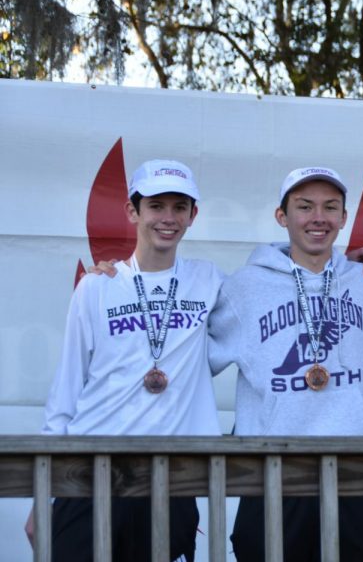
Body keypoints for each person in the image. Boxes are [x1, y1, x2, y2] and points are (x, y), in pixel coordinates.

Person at [34, 160, 222, 561]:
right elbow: (66, 390)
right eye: (156, 206)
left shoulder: (209, 281)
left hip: (170, 481)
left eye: (179, 207)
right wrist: (41, 493)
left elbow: (276, 285)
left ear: (193, 215)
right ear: (133, 211)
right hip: (90, 475)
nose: (168, 218)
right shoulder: (96, 286)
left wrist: (349, 263)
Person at [206, 167, 363, 561]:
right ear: (282, 217)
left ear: (343, 218)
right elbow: (189, 362)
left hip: (352, 476)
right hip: (272, 476)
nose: (318, 217)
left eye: (330, 207)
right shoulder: (244, 288)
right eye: (305, 207)